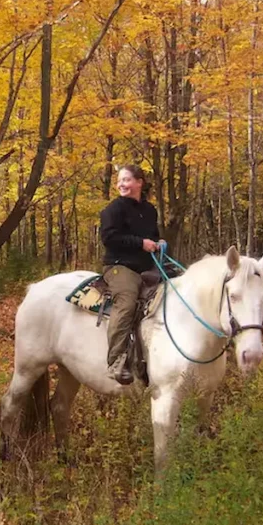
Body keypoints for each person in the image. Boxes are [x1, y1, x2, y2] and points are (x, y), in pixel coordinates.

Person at [99, 165, 165, 385]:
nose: (121, 184)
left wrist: (158, 243)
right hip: (119, 266)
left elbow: (152, 236)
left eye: (126, 180)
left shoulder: (150, 210)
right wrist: (140, 243)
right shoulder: (113, 210)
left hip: (147, 267)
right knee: (127, 301)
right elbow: (109, 238)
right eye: (120, 180)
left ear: (139, 182)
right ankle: (116, 360)